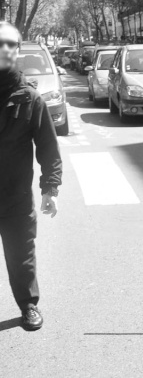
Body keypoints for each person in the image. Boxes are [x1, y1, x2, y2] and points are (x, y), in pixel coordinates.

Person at [0, 22, 62, 331]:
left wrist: (50, 187)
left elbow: (48, 145)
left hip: (15, 195)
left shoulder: (29, 98)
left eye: (12, 44)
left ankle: (28, 306)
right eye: (1, 43)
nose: (6, 49)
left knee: (21, 254)